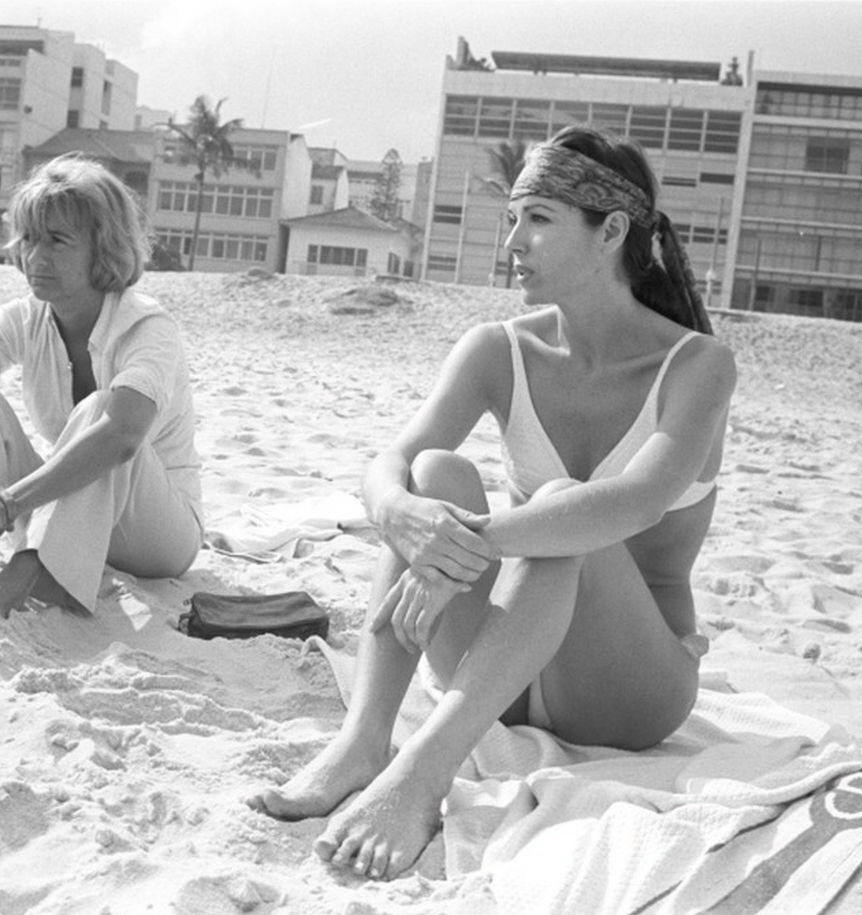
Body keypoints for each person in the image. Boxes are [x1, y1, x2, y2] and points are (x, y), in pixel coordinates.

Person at [250, 125, 737, 880]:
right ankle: (364, 738)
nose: (511, 240)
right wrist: (399, 513)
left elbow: (635, 502)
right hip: (496, 669)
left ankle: (419, 776)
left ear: (610, 231)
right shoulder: (496, 347)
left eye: (537, 218)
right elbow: (391, 462)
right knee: (435, 473)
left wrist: (466, 545)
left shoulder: (696, 364)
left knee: (566, 504)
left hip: (627, 691)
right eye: (511, 217)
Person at [0, 154, 203, 616]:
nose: (36, 257)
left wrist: (2, 509)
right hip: (75, 513)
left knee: (102, 413)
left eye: (58, 241)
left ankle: (11, 589)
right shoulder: (25, 317)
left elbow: (121, 437)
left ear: (103, 247)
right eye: (29, 239)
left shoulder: (146, 326)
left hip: (157, 534)